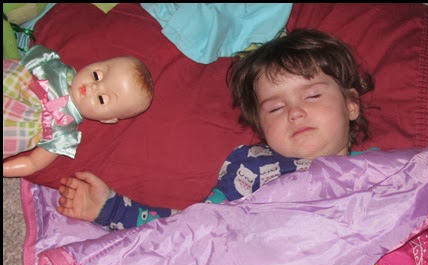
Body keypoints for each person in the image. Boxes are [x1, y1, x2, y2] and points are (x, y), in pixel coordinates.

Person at [55, 29, 374, 230]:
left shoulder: (385, 172)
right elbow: (197, 231)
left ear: (351, 104)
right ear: (261, 127)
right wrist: (111, 209)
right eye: (275, 108)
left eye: (313, 95)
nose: (295, 112)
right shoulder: (251, 167)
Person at [3, 44, 154, 177]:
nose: (94, 87)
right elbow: (19, 64)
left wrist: (6, 169)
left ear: (107, 119)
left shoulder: (64, 132)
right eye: (96, 75)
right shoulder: (53, 65)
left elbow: (33, 163)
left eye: (101, 99)